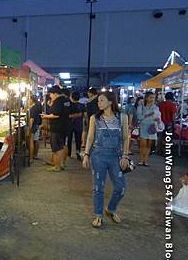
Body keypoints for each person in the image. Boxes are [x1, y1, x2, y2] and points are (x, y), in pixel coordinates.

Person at [82, 91, 130, 228]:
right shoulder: (94, 118)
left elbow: (126, 137)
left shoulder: (122, 117)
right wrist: (86, 154)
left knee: (121, 187)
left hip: (116, 156)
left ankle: (111, 209)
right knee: (98, 187)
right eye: (98, 101)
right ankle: (98, 215)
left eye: (101, 100)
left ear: (110, 102)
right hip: (98, 156)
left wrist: (125, 155)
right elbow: (90, 137)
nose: (98, 103)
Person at [41, 85, 70, 172]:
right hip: (65, 126)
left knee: (56, 147)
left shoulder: (58, 101)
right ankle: (62, 163)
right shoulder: (66, 100)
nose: (50, 96)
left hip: (57, 127)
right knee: (62, 145)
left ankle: (57, 166)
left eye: (51, 94)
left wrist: (45, 116)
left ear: (55, 94)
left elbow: (56, 114)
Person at [136, 91, 160, 166]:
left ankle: (146, 160)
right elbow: (139, 117)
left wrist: (156, 119)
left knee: (149, 145)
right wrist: (149, 115)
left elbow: (157, 117)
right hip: (143, 127)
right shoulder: (141, 107)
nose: (152, 99)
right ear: (146, 98)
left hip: (152, 127)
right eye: (150, 97)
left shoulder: (156, 107)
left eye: (153, 98)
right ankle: (141, 159)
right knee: (142, 144)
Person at [67, 91, 85, 161]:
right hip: (79, 125)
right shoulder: (82, 105)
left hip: (69, 125)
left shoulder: (68, 105)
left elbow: (66, 115)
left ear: (71, 97)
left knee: (69, 140)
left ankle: (69, 154)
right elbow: (84, 115)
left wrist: (71, 116)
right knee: (78, 141)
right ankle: (78, 153)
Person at [28, 95, 42, 160]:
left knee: (31, 140)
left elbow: (31, 119)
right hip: (37, 124)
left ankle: (30, 157)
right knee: (36, 140)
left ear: (31, 100)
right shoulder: (37, 106)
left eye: (29, 99)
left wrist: (29, 128)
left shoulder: (32, 108)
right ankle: (35, 155)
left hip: (33, 125)